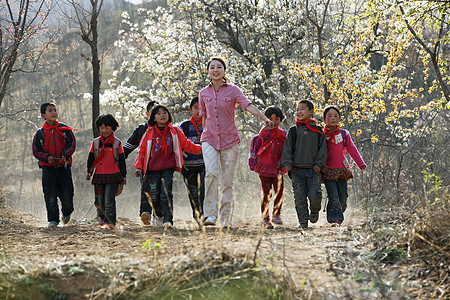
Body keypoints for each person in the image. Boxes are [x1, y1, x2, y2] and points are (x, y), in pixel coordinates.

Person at [200, 57, 273, 228]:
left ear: (224, 71)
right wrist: (203, 134)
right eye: (212, 67)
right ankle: (210, 215)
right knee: (211, 173)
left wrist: (264, 118)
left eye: (219, 67)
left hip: (229, 139)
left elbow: (247, 105)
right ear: (208, 71)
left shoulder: (233, 90)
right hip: (209, 138)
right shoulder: (203, 93)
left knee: (227, 180)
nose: (216, 70)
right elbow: (204, 117)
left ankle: (227, 218)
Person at [134, 104, 202, 228]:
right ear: (154, 118)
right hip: (152, 169)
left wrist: (200, 149)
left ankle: (168, 220)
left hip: (167, 168)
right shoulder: (149, 133)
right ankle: (158, 215)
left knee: (166, 193)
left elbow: (186, 144)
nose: (162, 115)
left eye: (164, 112)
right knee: (154, 195)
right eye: (159, 113)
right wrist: (139, 167)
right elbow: (142, 150)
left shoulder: (174, 131)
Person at [282, 100, 327, 229]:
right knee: (299, 197)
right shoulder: (293, 130)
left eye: (302, 109)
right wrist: (287, 163)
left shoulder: (318, 130)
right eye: (297, 109)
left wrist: (319, 165)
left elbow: (323, 149)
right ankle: (303, 221)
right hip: (297, 170)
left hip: (314, 171)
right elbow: (287, 148)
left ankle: (314, 211)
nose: (299, 112)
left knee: (315, 195)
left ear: (311, 112)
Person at [32, 102, 76, 228]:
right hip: (48, 169)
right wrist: (47, 157)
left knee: (67, 194)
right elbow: (36, 150)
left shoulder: (65, 130)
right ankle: (53, 220)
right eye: (50, 110)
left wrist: (65, 154)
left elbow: (72, 144)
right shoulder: (40, 133)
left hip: (64, 167)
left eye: (55, 110)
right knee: (50, 195)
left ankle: (67, 213)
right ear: (43, 115)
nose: (53, 112)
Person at [322, 105, 366, 225]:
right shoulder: (321, 134)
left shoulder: (343, 134)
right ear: (324, 118)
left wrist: (360, 163)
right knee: (333, 196)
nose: (332, 118)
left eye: (335, 116)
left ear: (339, 118)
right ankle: (335, 219)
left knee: (343, 196)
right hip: (327, 170)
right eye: (329, 116)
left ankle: (340, 208)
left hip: (342, 170)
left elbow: (352, 149)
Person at [249, 106, 287, 229]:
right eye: (270, 119)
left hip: (278, 168)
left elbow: (287, 150)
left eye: (277, 119)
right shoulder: (264, 133)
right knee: (266, 194)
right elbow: (262, 135)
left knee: (279, 192)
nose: (273, 122)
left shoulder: (283, 134)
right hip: (264, 168)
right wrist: (266, 127)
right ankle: (265, 219)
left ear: (281, 119)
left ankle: (277, 214)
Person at [86, 114, 127, 229]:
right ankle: (102, 216)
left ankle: (110, 221)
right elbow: (91, 158)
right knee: (99, 200)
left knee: (109, 199)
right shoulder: (95, 143)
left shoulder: (117, 143)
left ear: (112, 127)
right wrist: (89, 172)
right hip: (98, 175)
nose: (104, 130)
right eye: (101, 128)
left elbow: (122, 160)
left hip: (113, 175)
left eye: (107, 127)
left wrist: (123, 176)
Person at [123, 100, 157, 226]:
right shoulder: (142, 129)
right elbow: (128, 147)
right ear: (147, 113)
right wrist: (117, 159)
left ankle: (158, 216)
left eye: (159, 111)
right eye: (153, 111)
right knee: (146, 189)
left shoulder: (168, 129)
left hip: (163, 167)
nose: (156, 114)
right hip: (146, 167)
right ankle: (145, 213)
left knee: (161, 192)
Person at [179, 96, 205, 225]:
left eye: (201, 108)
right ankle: (196, 214)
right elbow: (178, 143)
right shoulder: (184, 126)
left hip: (203, 164)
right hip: (187, 166)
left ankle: (202, 214)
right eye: (196, 108)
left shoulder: (208, 124)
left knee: (202, 190)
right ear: (191, 109)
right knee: (192, 192)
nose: (198, 111)